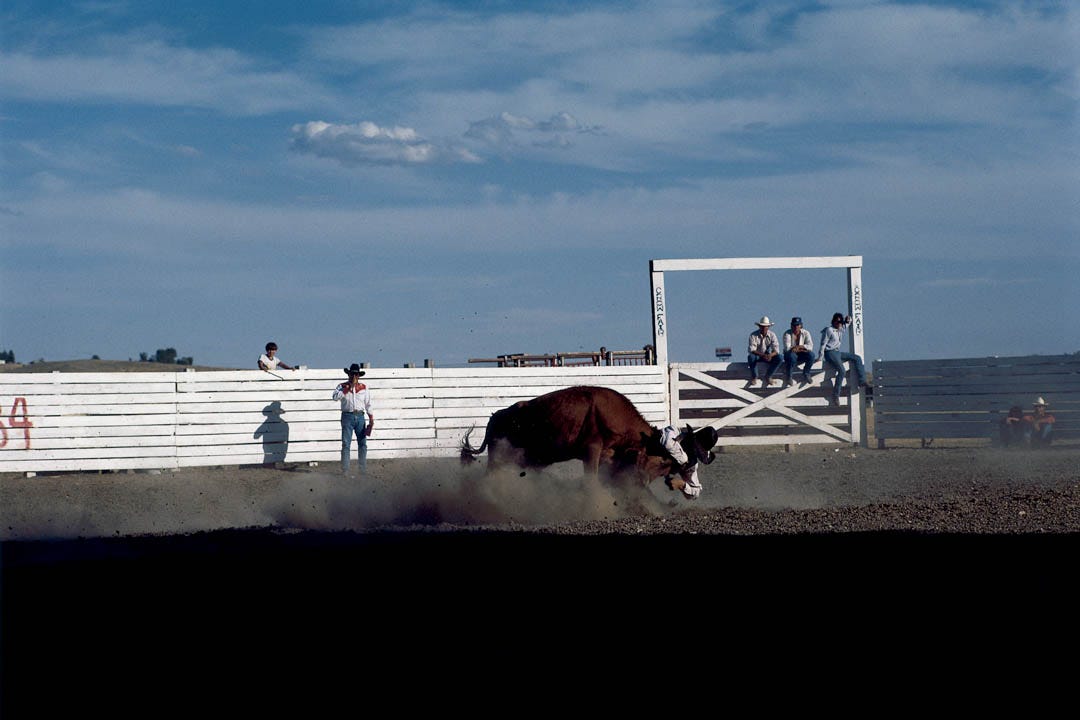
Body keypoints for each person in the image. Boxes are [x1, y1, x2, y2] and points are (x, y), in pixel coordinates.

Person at [818, 312, 872, 406]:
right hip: (829, 352)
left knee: (857, 358)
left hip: (837, 352)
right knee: (842, 371)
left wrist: (848, 320)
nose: (839, 324)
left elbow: (847, 323)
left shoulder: (840, 329)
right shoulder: (829, 330)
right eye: (838, 322)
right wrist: (820, 357)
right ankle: (836, 395)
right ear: (833, 322)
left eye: (840, 322)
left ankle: (862, 381)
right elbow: (823, 344)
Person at [333, 363, 375, 475]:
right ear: (349, 374)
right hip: (347, 416)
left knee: (362, 443)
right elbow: (335, 397)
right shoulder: (342, 386)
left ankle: (362, 470)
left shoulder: (364, 387)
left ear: (358, 375)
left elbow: (368, 404)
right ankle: (345, 470)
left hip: (360, 416)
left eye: (356, 375)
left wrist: (371, 417)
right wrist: (347, 389)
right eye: (352, 374)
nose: (354, 377)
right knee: (346, 444)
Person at [747, 316, 781, 387]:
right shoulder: (753, 335)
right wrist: (763, 355)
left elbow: (776, 350)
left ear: (768, 327)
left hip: (768, 355)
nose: (764, 328)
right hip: (757, 355)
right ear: (759, 326)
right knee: (751, 357)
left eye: (766, 326)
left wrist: (770, 355)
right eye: (762, 326)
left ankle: (769, 375)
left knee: (780, 357)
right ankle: (755, 376)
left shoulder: (772, 335)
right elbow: (752, 349)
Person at [782, 316, 814, 387]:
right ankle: (789, 376)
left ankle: (806, 373)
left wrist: (799, 347)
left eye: (797, 325)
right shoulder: (787, 334)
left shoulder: (806, 333)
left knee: (811, 355)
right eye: (794, 325)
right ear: (791, 325)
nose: (796, 327)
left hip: (801, 353)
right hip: (790, 355)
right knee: (791, 356)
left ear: (801, 325)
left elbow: (810, 346)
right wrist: (801, 348)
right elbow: (787, 348)